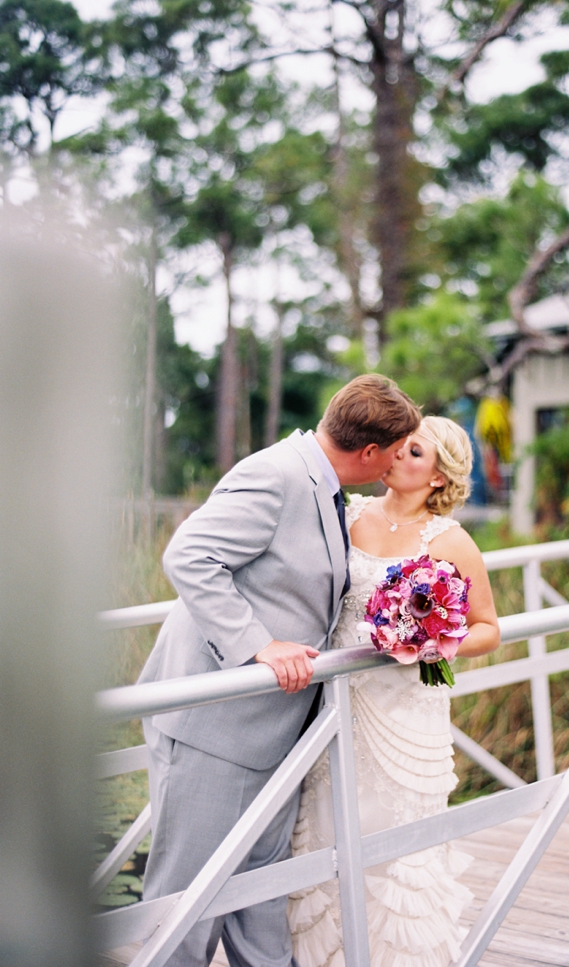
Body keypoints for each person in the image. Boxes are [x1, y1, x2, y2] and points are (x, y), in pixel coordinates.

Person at [138, 374, 421, 967]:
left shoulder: (325, 483)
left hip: (273, 731)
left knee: (261, 895)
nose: (397, 464)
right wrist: (257, 645)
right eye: (395, 453)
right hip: (214, 726)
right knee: (186, 907)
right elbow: (188, 555)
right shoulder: (277, 474)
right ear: (369, 453)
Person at [288, 416, 501, 967]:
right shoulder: (350, 514)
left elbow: (487, 628)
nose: (398, 455)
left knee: (397, 850)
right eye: (400, 447)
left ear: (437, 478)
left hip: (406, 710)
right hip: (337, 705)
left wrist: (436, 642)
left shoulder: (450, 540)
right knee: (326, 835)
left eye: (415, 452)